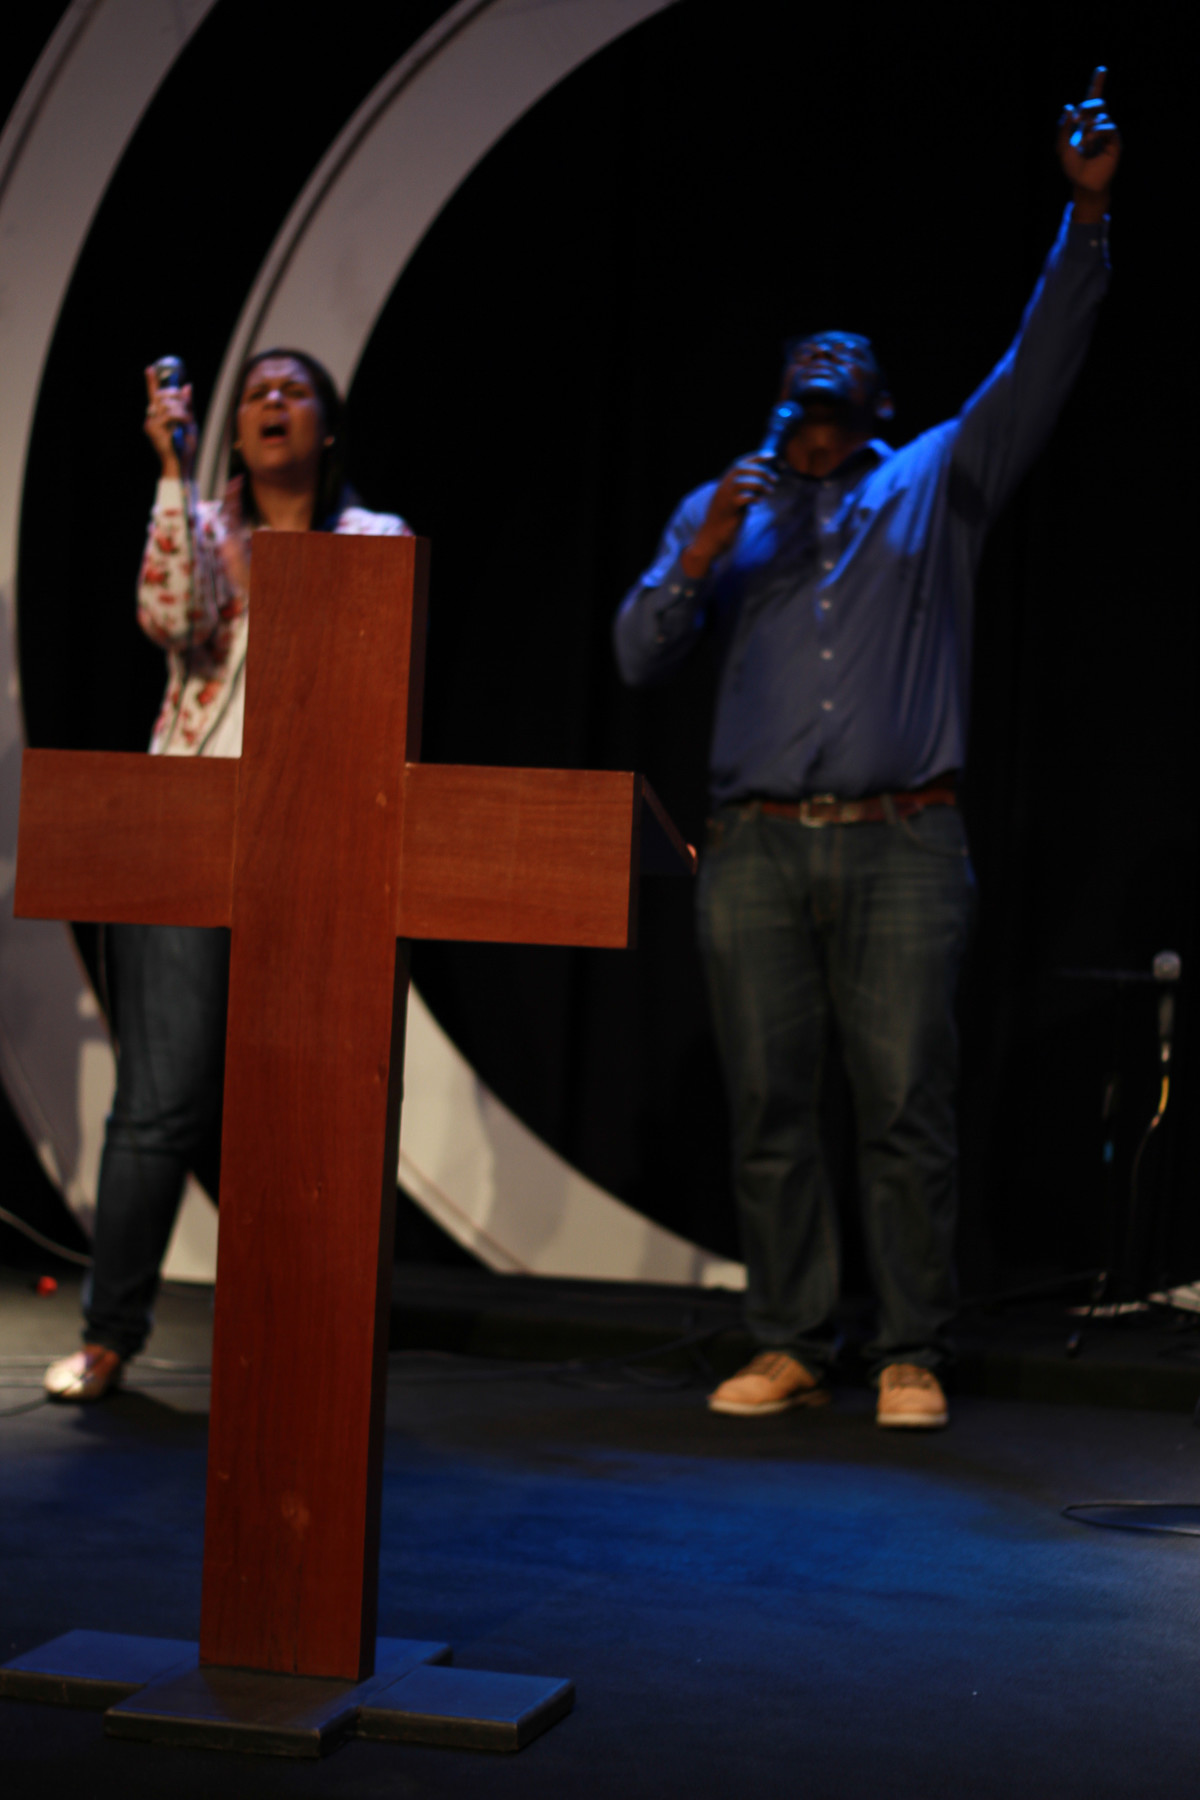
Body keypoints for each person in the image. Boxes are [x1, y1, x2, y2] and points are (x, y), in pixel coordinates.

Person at [614, 72, 1120, 1429]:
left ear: (879, 396)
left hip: (905, 838)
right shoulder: (732, 510)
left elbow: (1044, 361)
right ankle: (789, 1337)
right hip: (758, 849)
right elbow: (635, 652)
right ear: (779, 399)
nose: (820, 398)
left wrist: (1086, 218)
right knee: (772, 1101)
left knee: (905, 1100)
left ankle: (909, 1346)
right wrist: (711, 545)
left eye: (842, 381)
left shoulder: (935, 480)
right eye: (801, 382)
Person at [44, 350, 412, 1400]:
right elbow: (169, 621)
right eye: (256, 394)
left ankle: (305, 1345)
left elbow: (379, 678)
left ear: (328, 427)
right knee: (160, 1102)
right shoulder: (202, 530)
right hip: (195, 830)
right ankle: (112, 1332)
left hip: (319, 841)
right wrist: (172, 470)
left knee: (307, 1100)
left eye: (295, 391)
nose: (273, 405)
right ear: (234, 432)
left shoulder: (372, 542)